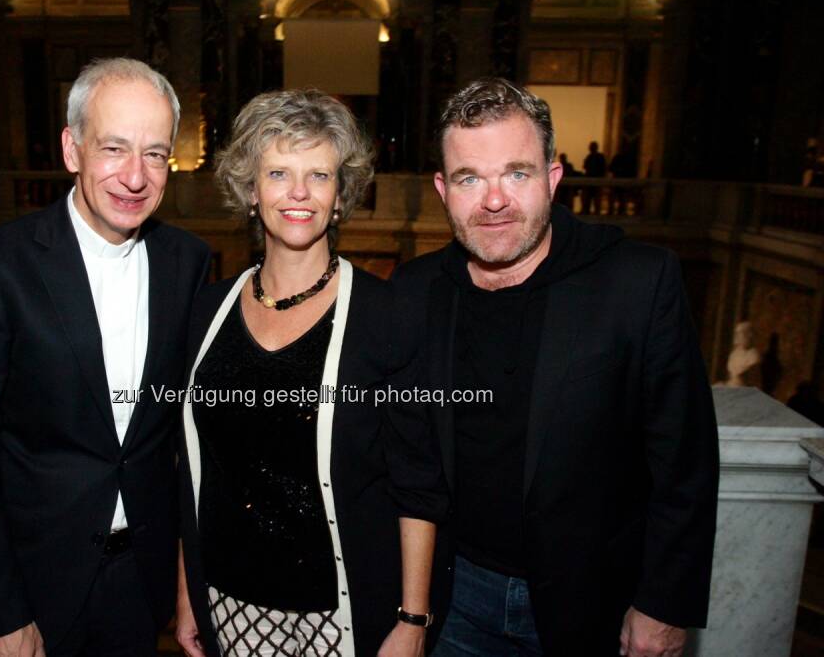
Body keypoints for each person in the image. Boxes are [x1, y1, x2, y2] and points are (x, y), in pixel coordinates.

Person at [391, 78, 719, 656]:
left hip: (596, 607)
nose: (494, 200)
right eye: (470, 178)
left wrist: (664, 606)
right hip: (455, 601)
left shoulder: (637, 283)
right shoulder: (417, 291)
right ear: (444, 189)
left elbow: (684, 463)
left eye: (517, 173)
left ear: (552, 177)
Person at [0, 57, 210, 656]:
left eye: (156, 153)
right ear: (71, 149)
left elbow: (182, 443)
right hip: (29, 589)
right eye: (114, 148)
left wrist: (189, 585)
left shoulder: (189, 262)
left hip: (141, 585)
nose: (136, 176)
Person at [175, 89, 448, 657]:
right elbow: (193, 472)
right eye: (278, 172)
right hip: (226, 604)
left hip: (344, 613)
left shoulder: (386, 315)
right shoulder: (206, 311)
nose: (298, 192)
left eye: (319, 175)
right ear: (252, 191)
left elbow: (416, 481)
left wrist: (414, 619)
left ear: (340, 196)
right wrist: (187, 593)